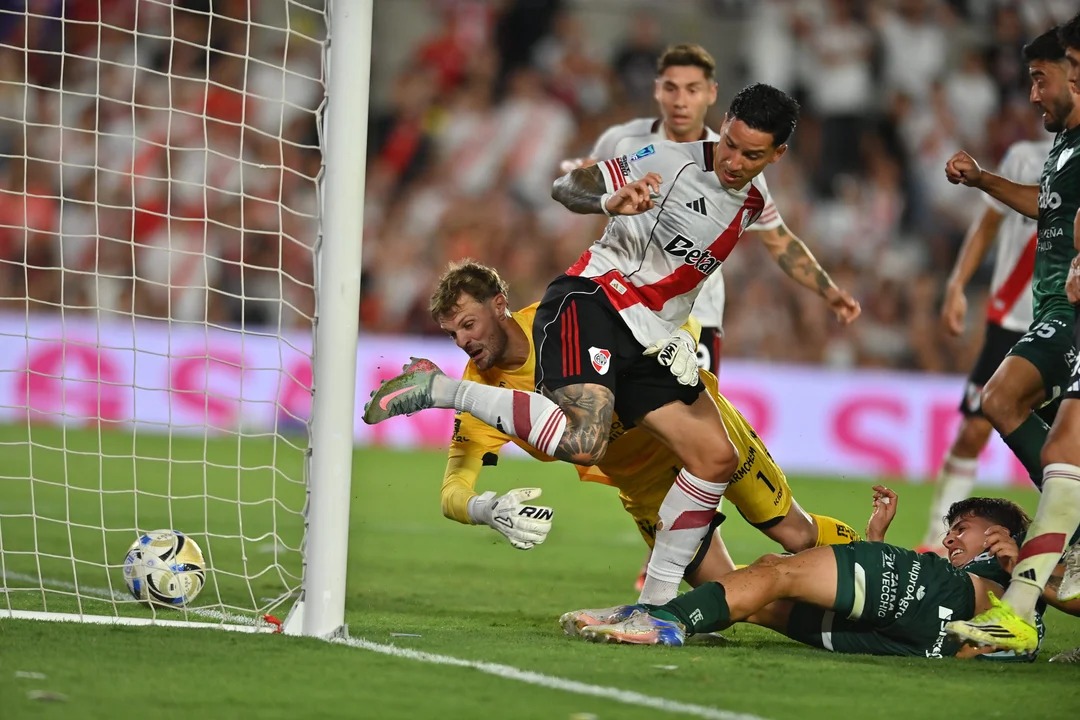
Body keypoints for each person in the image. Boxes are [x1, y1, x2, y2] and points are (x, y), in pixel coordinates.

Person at [364, 82, 861, 607]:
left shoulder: (753, 203)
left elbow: (772, 248)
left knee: (733, 474)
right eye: (730, 144)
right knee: (586, 441)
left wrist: (829, 292)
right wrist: (608, 199)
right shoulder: (665, 159)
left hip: (647, 344)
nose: (733, 161)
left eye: (751, 154)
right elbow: (568, 185)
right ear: (725, 124)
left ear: (777, 154)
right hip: (596, 301)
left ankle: (867, 571)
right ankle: (438, 389)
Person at [431, 260, 860, 582]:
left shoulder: (566, 315)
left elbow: (667, 316)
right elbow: (453, 489)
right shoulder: (482, 399)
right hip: (644, 484)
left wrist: (686, 342)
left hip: (693, 429)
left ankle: (880, 564)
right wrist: (483, 508)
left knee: (796, 536)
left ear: (499, 306)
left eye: (469, 324)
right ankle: (805, 597)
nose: (464, 341)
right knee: (731, 594)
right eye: (453, 334)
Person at [563, 490, 1079, 660]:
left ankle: (660, 620)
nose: (950, 539)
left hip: (941, 603)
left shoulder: (1025, 558)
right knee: (767, 588)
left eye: (962, 529)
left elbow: (1044, 600)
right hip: (924, 641)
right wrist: (876, 540)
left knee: (781, 573)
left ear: (998, 530)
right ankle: (679, 615)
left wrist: (1022, 563)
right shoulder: (1022, 597)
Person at [940, 22, 1080, 653]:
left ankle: (1028, 602)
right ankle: (1059, 562)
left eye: (1040, 78)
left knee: (1058, 446)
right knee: (1010, 408)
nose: (1033, 94)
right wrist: (986, 181)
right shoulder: (1064, 146)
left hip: (1069, 312)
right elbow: (1050, 210)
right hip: (1055, 308)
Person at [916, 133, 1053, 554]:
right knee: (973, 432)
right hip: (1011, 320)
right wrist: (956, 284)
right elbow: (988, 224)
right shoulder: (1024, 156)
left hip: (1063, 323)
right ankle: (936, 540)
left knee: (1059, 447)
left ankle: (1056, 541)